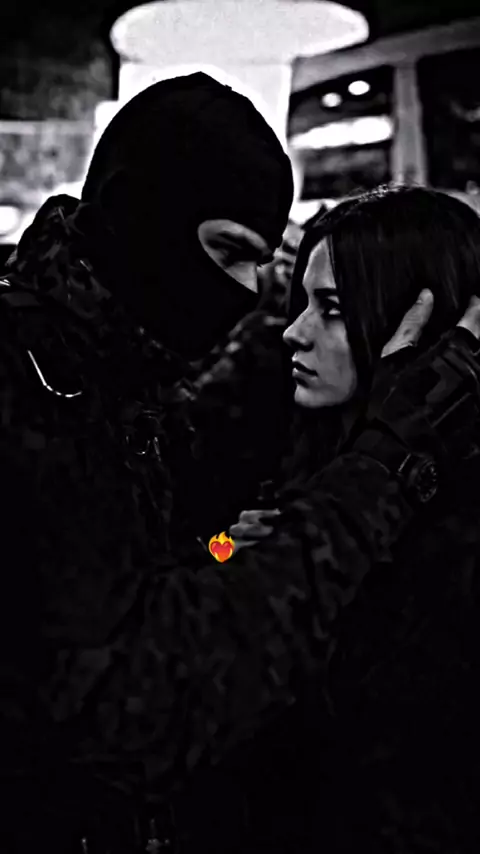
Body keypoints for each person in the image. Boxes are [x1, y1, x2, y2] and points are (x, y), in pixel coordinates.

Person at [0, 68, 479, 853]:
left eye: (330, 308)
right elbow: (134, 684)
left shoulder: (127, 385)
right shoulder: (40, 385)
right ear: (143, 213)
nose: (271, 314)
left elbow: (174, 565)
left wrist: (223, 551)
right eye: (228, 251)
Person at [226, 185, 480, 854]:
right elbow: (221, 546)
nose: (294, 330)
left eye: (333, 310)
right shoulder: (317, 446)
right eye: (303, 302)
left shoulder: (452, 523)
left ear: (414, 328)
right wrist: (223, 549)